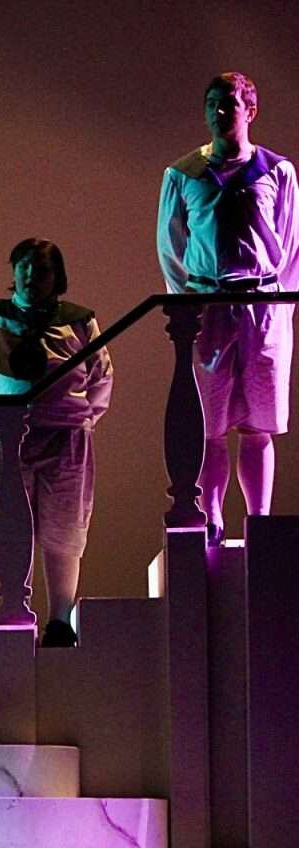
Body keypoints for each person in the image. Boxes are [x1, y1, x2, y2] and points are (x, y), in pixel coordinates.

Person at [0, 238, 112, 647]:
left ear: (56, 277)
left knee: (64, 527)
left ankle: (60, 619)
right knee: (9, 524)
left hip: (65, 439)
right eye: (24, 267)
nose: (31, 277)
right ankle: (16, 607)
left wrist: (77, 419)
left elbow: (101, 379)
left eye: (41, 270)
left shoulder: (79, 321)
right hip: (6, 441)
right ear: (13, 272)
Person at [158, 71, 299, 544]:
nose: (220, 112)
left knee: (260, 423)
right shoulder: (183, 174)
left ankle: (260, 520)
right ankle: (212, 518)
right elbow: (171, 248)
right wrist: (188, 308)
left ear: (250, 110)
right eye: (212, 103)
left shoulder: (277, 171)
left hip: (263, 304)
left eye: (230, 104)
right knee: (210, 423)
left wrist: (281, 308)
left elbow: (291, 248)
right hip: (209, 305)